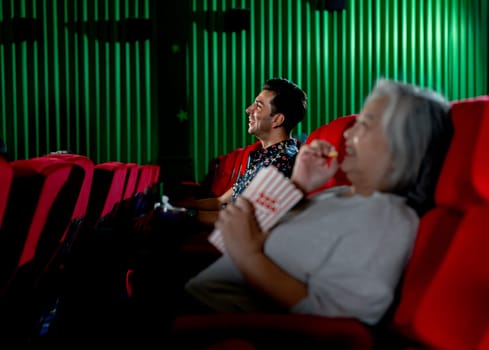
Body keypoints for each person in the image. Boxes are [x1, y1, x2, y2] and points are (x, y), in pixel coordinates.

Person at [183, 78, 454, 326]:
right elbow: (240, 225)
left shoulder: (387, 218)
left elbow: (339, 322)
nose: (347, 135)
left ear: (402, 148)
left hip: (218, 323)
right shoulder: (338, 195)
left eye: (365, 124)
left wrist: (248, 256)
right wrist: (299, 183)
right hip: (200, 299)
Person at [171, 77, 307, 227]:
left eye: (259, 106)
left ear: (277, 120)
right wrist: (174, 205)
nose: (248, 110)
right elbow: (221, 201)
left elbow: (244, 219)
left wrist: (182, 215)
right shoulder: (267, 156)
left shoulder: (281, 163)